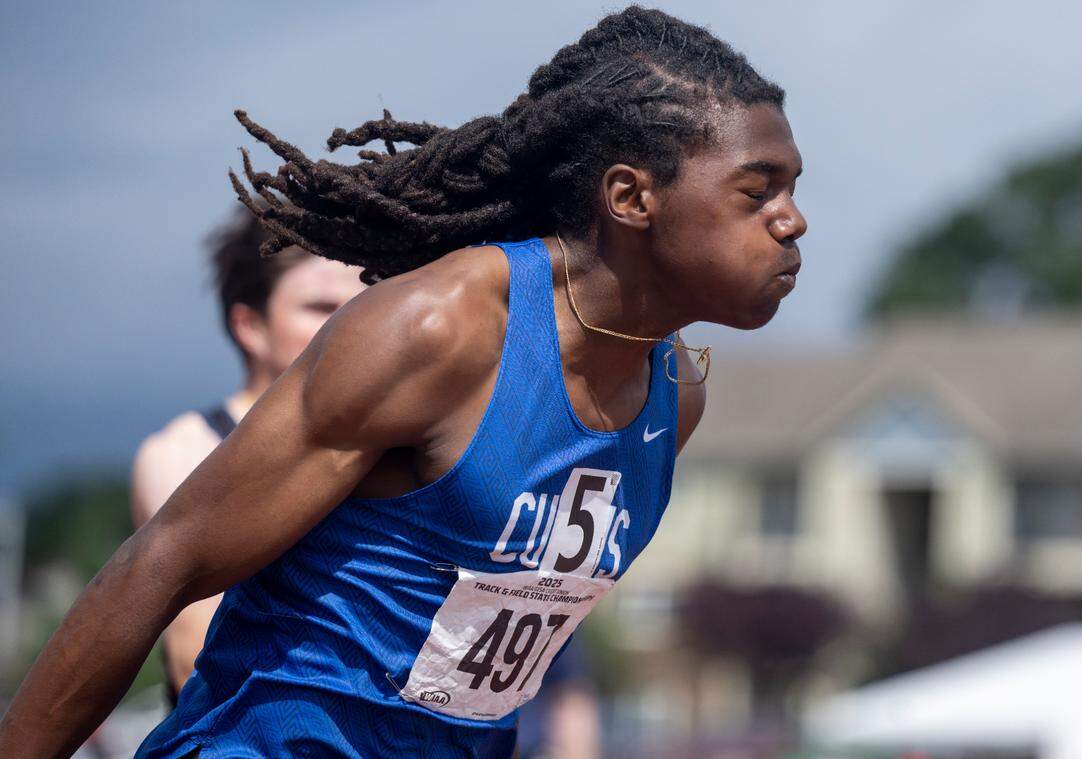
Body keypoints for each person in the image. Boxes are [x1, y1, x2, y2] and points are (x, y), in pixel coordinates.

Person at [0, 6, 805, 757]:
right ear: (631, 197)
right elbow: (160, 563)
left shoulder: (675, 395)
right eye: (757, 190)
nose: (792, 219)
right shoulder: (440, 329)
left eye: (794, 189)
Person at [129, 211, 365, 707]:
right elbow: (199, 654)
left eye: (363, 304)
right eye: (320, 307)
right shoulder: (184, 452)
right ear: (250, 325)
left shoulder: (385, 447)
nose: (349, 325)